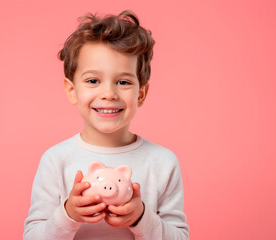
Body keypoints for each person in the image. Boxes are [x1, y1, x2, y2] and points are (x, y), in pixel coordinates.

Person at [23, 10, 189, 240]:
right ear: (72, 91)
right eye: (93, 81)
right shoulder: (55, 160)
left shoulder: (163, 162)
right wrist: (68, 214)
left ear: (141, 93)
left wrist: (141, 217)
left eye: (123, 82)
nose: (109, 93)